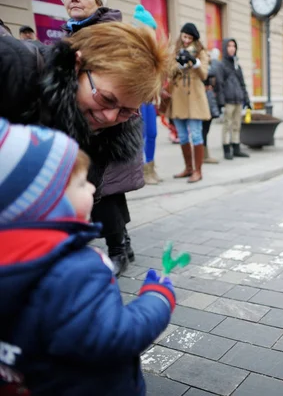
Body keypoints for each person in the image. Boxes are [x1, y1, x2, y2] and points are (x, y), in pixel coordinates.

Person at [0, 120, 176, 395]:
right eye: (82, 183)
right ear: (46, 203)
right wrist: (157, 298)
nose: (93, 189)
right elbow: (117, 336)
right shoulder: (76, 271)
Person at [0, 22, 170, 277]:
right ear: (78, 65)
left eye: (126, 111)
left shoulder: (108, 132)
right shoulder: (12, 65)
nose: (110, 116)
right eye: (106, 99)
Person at [60, 0, 145, 275]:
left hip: (108, 129)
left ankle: (118, 250)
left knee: (104, 191)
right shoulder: (70, 33)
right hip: (79, 125)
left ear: (97, 0)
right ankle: (124, 243)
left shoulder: (111, 31)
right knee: (102, 190)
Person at [167, 23, 210, 183]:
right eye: (184, 36)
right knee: (183, 136)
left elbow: (204, 74)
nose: (186, 40)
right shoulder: (175, 50)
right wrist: (178, 64)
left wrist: (194, 61)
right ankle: (188, 168)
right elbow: (169, 74)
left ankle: (198, 171)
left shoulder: (201, 52)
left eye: (189, 38)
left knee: (196, 134)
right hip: (178, 99)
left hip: (194, 100)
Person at [133, 4, 162, 185]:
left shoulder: (152, 51)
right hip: (136, 98)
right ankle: (141, 171)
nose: (153, 33)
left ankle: (150, 167)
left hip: (149, 98)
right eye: (150, 29)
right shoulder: (132, 49)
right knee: (140, 134)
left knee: (152, 133)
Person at [217, 38, 252, 159]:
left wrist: (247, 100)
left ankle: (236, 147)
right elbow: (219, 84)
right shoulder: (222, 65)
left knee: (237, 124)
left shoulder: (237, 66)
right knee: (227, 125)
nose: (232, 48)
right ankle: (226, 149)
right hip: (228, 100)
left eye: (234, 46)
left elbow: (242, 84)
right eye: (229, 46)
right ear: (225, 48)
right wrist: (221, 102)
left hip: (238, 100)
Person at [203, 47, 224, 164]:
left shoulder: (212, 66)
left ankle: (204, 154)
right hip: (203, 102)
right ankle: (203, 155)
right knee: (201, 130)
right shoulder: (203, 67)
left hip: (210, 102)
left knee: (205, 129)